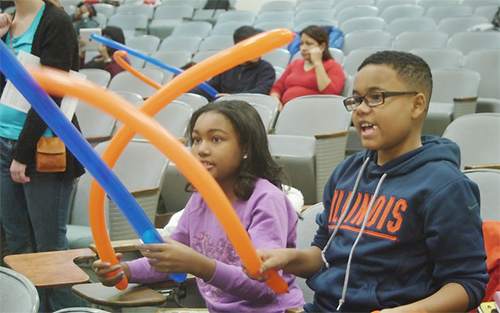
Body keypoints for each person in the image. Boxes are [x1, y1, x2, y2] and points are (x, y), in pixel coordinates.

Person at [252, 51, 489, 312]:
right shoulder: (347, 171)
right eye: (357, 99)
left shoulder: (445, 186)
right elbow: (323, 254)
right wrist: (286, 258)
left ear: (417, 104)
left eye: (376, 97)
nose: (362, 109)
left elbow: (467, 283)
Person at [93, 100, 305, 312]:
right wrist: (124, 271)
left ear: (246, 148)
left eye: (216, 139)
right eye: (196, 139)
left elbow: (265, 286)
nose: (202, 149)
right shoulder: (201, 198)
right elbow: (171, 259)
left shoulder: (267, 200)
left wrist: (198, 265)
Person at [0, 0, 86, 311]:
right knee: (17, 243)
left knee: (50, 248)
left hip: (42, 147)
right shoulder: (6, 19)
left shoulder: (55, 21)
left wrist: (22, 154)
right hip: (3, 142)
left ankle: (64, 309)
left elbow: (51, 92)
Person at [190, 26, 276, 101]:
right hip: (222, 107)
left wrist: (233, 97)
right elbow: (211, 88)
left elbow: (261, 91)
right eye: (251, 48)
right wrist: (186, 93)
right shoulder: (226, 65)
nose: (258, 51)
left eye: (259, 46)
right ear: (238, 48)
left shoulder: (266, 68)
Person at [270, 25, 345, 111]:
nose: (303, 48)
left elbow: (330, 94)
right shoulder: (295, 63)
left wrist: (317, 63)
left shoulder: (333, 66)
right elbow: (277, 88)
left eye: (309, 44)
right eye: (302, 44)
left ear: (322, 47)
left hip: (313, 112)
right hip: (285, 111)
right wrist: (275, 100)